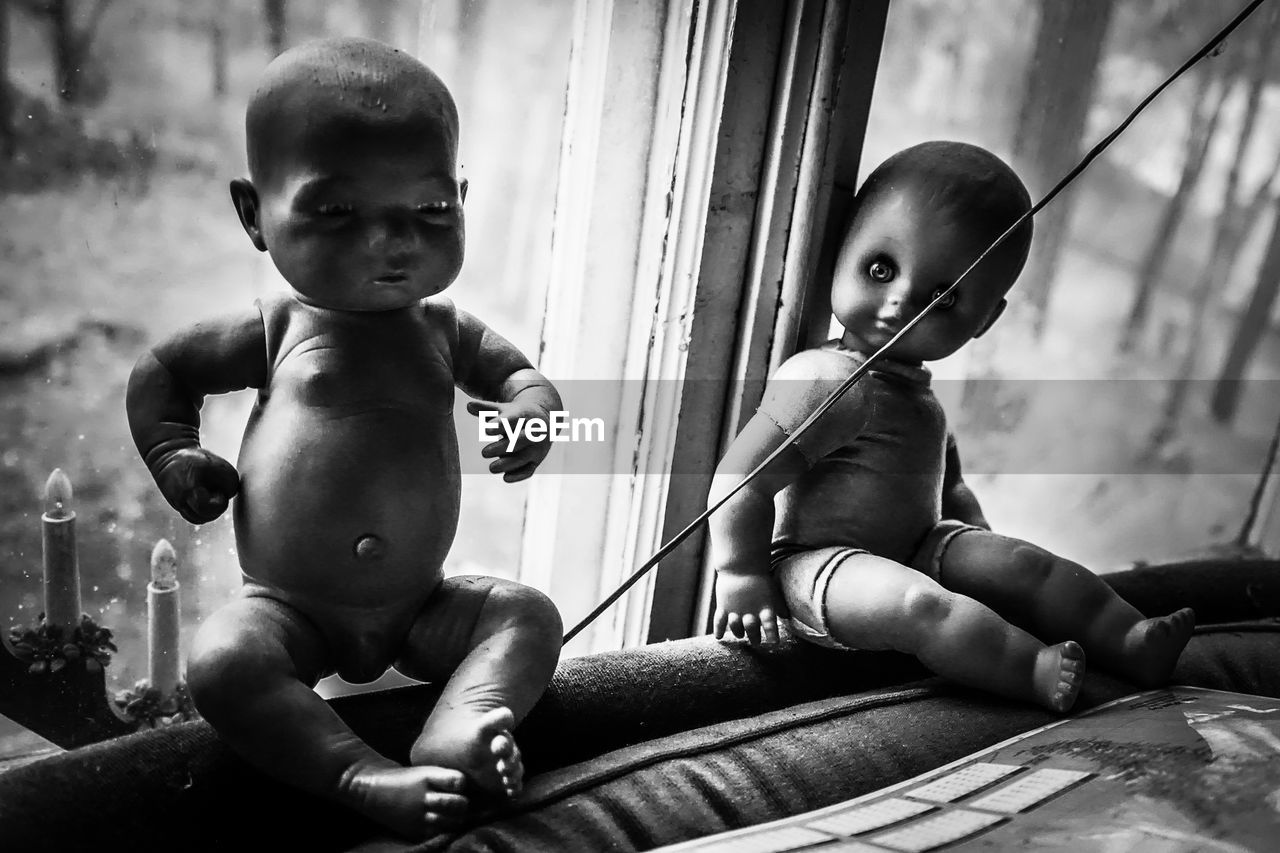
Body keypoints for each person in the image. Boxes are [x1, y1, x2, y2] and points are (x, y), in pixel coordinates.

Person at [125, 37, 564, 840]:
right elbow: (163, 370)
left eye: (429, 211)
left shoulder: (446, 330)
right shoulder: (277, 328)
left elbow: (523, 380)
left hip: (422, 605)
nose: (389, 242)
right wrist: (173, 452)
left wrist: (531, 415)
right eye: (335, 212)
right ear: (255, 213)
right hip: (291, 609)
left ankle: (463, 720)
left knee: (526, 616)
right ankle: (358, 773)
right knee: (223, 661)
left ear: (461, 197)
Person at [706, 141, 1194, 713]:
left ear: (984, 319)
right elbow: (742, 479)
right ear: (839, 252)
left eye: (943, 297)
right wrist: (740, 572)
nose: (900, 302)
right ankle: (1029, 669)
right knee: (918, 605)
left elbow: (949, 485)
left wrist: (980, 543)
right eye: (880, 268)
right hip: (817, 567)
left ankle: (1128, 639)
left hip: (918, 544)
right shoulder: (827, 380)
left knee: (1026, 565)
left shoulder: (920, 401)